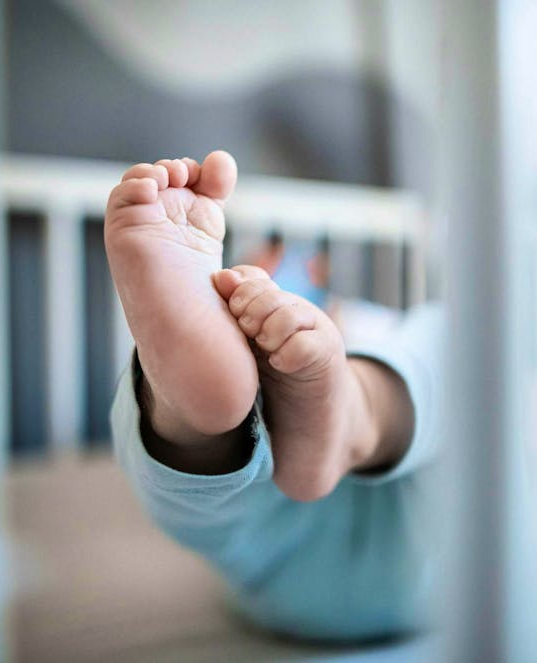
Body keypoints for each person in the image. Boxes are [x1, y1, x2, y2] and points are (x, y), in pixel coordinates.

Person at [106, 151, 443, 641]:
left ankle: (193, 433)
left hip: (278, 574)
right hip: (430, 564)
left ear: (325, 280)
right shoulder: (268, 337)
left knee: (201, 493)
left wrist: (325, 329)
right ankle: (202, 417)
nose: (275, 284)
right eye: (255, 269)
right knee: (458, 345)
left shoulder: (367, 321)